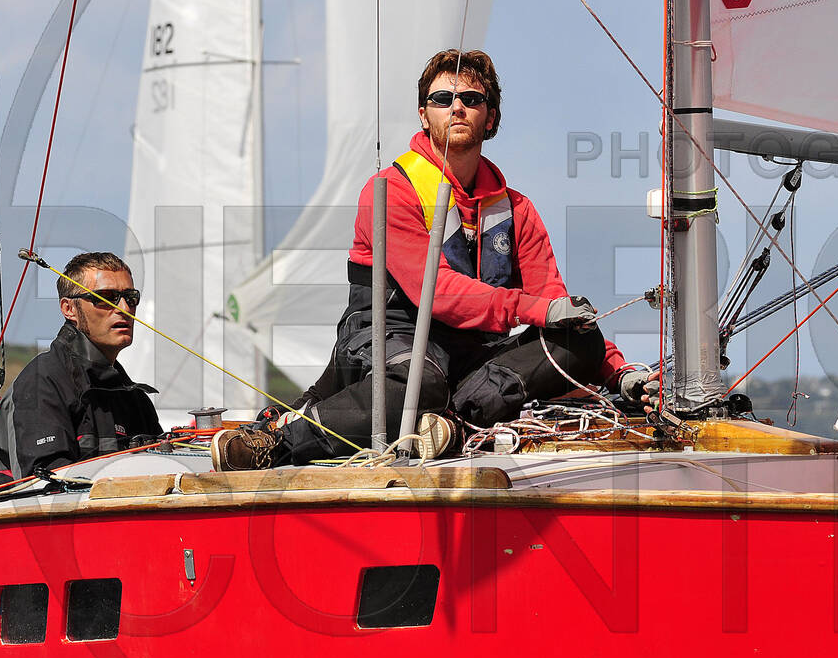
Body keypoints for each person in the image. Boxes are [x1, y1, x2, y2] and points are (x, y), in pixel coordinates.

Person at [213, 49, 656, 470]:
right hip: (391, 338)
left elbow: (553, 301)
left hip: (470, 355)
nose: (456, 107)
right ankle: (280, 441)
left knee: (580, 341)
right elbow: (439, 292)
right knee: (421, 383)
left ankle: (450, 427)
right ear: (425, 115)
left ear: (491, 117)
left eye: (471, 99)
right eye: (442, 99)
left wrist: (617, 374)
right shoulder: (389, 191)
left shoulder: (517, 209)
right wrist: (534, 309)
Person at [0, 251, 163, 483]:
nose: (124, 308)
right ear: (69, 309)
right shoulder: (42, 381)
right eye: (105, 297)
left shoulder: (134, 398)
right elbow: (47, 485)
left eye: (131, 297)